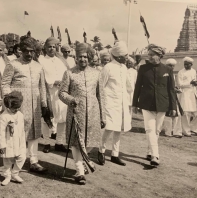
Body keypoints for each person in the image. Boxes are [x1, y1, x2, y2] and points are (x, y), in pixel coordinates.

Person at [59, 43, 106, 185]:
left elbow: (101, 96)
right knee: (75, 141)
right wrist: (70, 99)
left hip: (93, 112)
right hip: (75, 112)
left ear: (89, 57)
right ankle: (79, 170)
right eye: (80, 57)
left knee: (90, 141)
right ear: (76, 58)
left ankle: (83, 160)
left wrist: (103, 116)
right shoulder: (69, 73)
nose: (83, 59)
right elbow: (62, 92)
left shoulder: (97, 73)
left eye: (85, 57)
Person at [2, 36, 48, 173]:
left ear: (35, 52)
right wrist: (10, 101)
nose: (29, 54)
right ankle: (13, 160)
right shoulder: (13, 64)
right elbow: (5, 84)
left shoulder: (38, 66)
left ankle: (34, 161)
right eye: (26, 51)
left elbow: (42, 87)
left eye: (32, 51)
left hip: (35, 105)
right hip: (18, 104)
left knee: (34, 132)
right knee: (16, 132)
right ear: (21, 51)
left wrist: (44, 103)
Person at [132, 44, 176, 166]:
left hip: (162, 104)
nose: (149, 57)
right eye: (149, 54)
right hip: (146, 103)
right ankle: (155, 156)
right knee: (150, 129)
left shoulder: (168, 70)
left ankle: (150, 151)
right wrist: (134, 104)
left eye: (152, 55)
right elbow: (137, 87)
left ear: (159, 55)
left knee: (156, 130)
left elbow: (171, 90)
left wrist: (173, 107)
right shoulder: (143, 68)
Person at [98, 41, 131, 167]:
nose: (127, 58)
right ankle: (101, 150)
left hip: (122, 103)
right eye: (125, 55)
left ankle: (115, 154)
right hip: (110, 103)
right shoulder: (108, 67)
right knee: (109, 128)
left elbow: (127, 86)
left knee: (119, 129)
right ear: (118, 56)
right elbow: (101, 87)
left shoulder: (124, 67)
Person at [39, 37, 69, 153]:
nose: (52, 49)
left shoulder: (60, 61)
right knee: (47, 117)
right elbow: (40, 78)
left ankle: (59, 142)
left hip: (61, 93)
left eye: (53, 46)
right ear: (45, 48)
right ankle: (46, 143)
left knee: (62, 118)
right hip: (48, 92)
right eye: (49, 47)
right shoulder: (41, 61)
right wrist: (52, 82)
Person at [0, 91, 26, 186]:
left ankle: (15, 173)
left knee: (22, 157)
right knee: (7, 160)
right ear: (8, 107)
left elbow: (22, 130)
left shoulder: (20, 115)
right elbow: (0, 132)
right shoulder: (4, 117)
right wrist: (1, 146)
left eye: (18, 108)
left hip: (19, 141)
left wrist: (22, 141)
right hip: (8, 142)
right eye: (14, 108)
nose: (16, 110)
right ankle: (7, 176)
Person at [178, 57, 197, 137]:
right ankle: (186, 131)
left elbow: (194, 81)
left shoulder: (194, 71)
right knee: (186, 113)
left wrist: (195, 83)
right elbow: (180, 85)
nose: (186, 66)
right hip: (185, 94)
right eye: (185, 64)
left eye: (188, 64)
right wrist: (189, 83)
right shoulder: (180, 72)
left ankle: (194, 129)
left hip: (193, 93)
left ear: (191, 64)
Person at [162, 59, 183, 138]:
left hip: (173, 96)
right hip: (166, 96)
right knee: (168, 114)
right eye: (170, 65)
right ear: (166, 65)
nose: (171, 67)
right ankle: (168, 132)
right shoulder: (163, 74)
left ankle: (177, 132)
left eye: (173, 66)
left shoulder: (173, 75)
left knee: (177, 114)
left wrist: (176, 89)